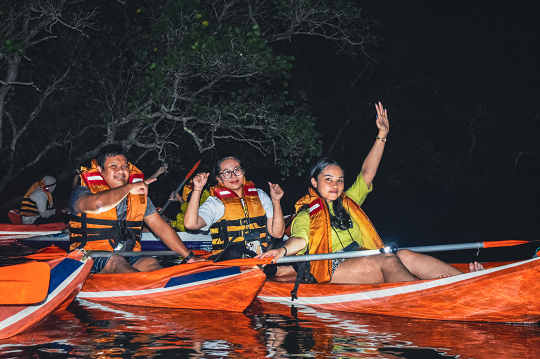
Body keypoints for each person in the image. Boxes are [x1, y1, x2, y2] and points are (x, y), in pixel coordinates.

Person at [259, 102, 483, 285]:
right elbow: (300, 240)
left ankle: (467, 283)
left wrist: (382, 134)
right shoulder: (306, 213)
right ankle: (421, 296)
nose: (335, 184)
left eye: (339, 180)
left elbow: (367, 172)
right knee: (387, 259)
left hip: (362, 258)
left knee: (403, 254)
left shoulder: (348, 201)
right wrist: (282, 252)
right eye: (328, 179)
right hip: (329, 268)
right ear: (314, 183)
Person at [69, 144, 205, 274]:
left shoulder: (137, 197)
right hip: (87, 257)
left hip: (127, 255)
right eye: (113, 166)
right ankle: (145, 288)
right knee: (116, 261)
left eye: (124, 166)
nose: (121, 171)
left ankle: (165, 288)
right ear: (100, 170)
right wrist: (129, 187)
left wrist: (189, 257)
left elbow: (162, 229)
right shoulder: (82, 192)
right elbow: (98, 204)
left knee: (150, 262)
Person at [184, 156, 285, 261]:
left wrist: (276, 201)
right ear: (219, 178)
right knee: (237, 251)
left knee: (285, 246)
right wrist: (197, 189)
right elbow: (190, 224)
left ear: (243, 172)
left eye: (237, 170)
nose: (233, 176)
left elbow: (277, 233)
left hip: (259, 257)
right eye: (227, 172)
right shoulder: (215, 203)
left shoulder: (260, 195)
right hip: (230, 260)